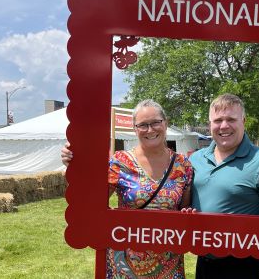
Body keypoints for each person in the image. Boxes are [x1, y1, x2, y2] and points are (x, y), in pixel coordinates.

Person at [61, 99, 193, 279]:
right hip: (125, 263)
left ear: (166, 123)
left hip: (169, 263)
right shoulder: (120, 162)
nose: (150, 129)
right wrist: (75, 166)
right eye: (143, 125)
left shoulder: (183, 165)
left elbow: (184, 212)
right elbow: (91, 202)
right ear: (134, 128)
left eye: (155, 122)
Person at [189, 94, 259, 279]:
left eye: (231, 119)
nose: (224, 126)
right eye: (218, 120)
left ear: (243, 121)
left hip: (244, 263)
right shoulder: (196, 159)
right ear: (210, 124)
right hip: (204, 259)